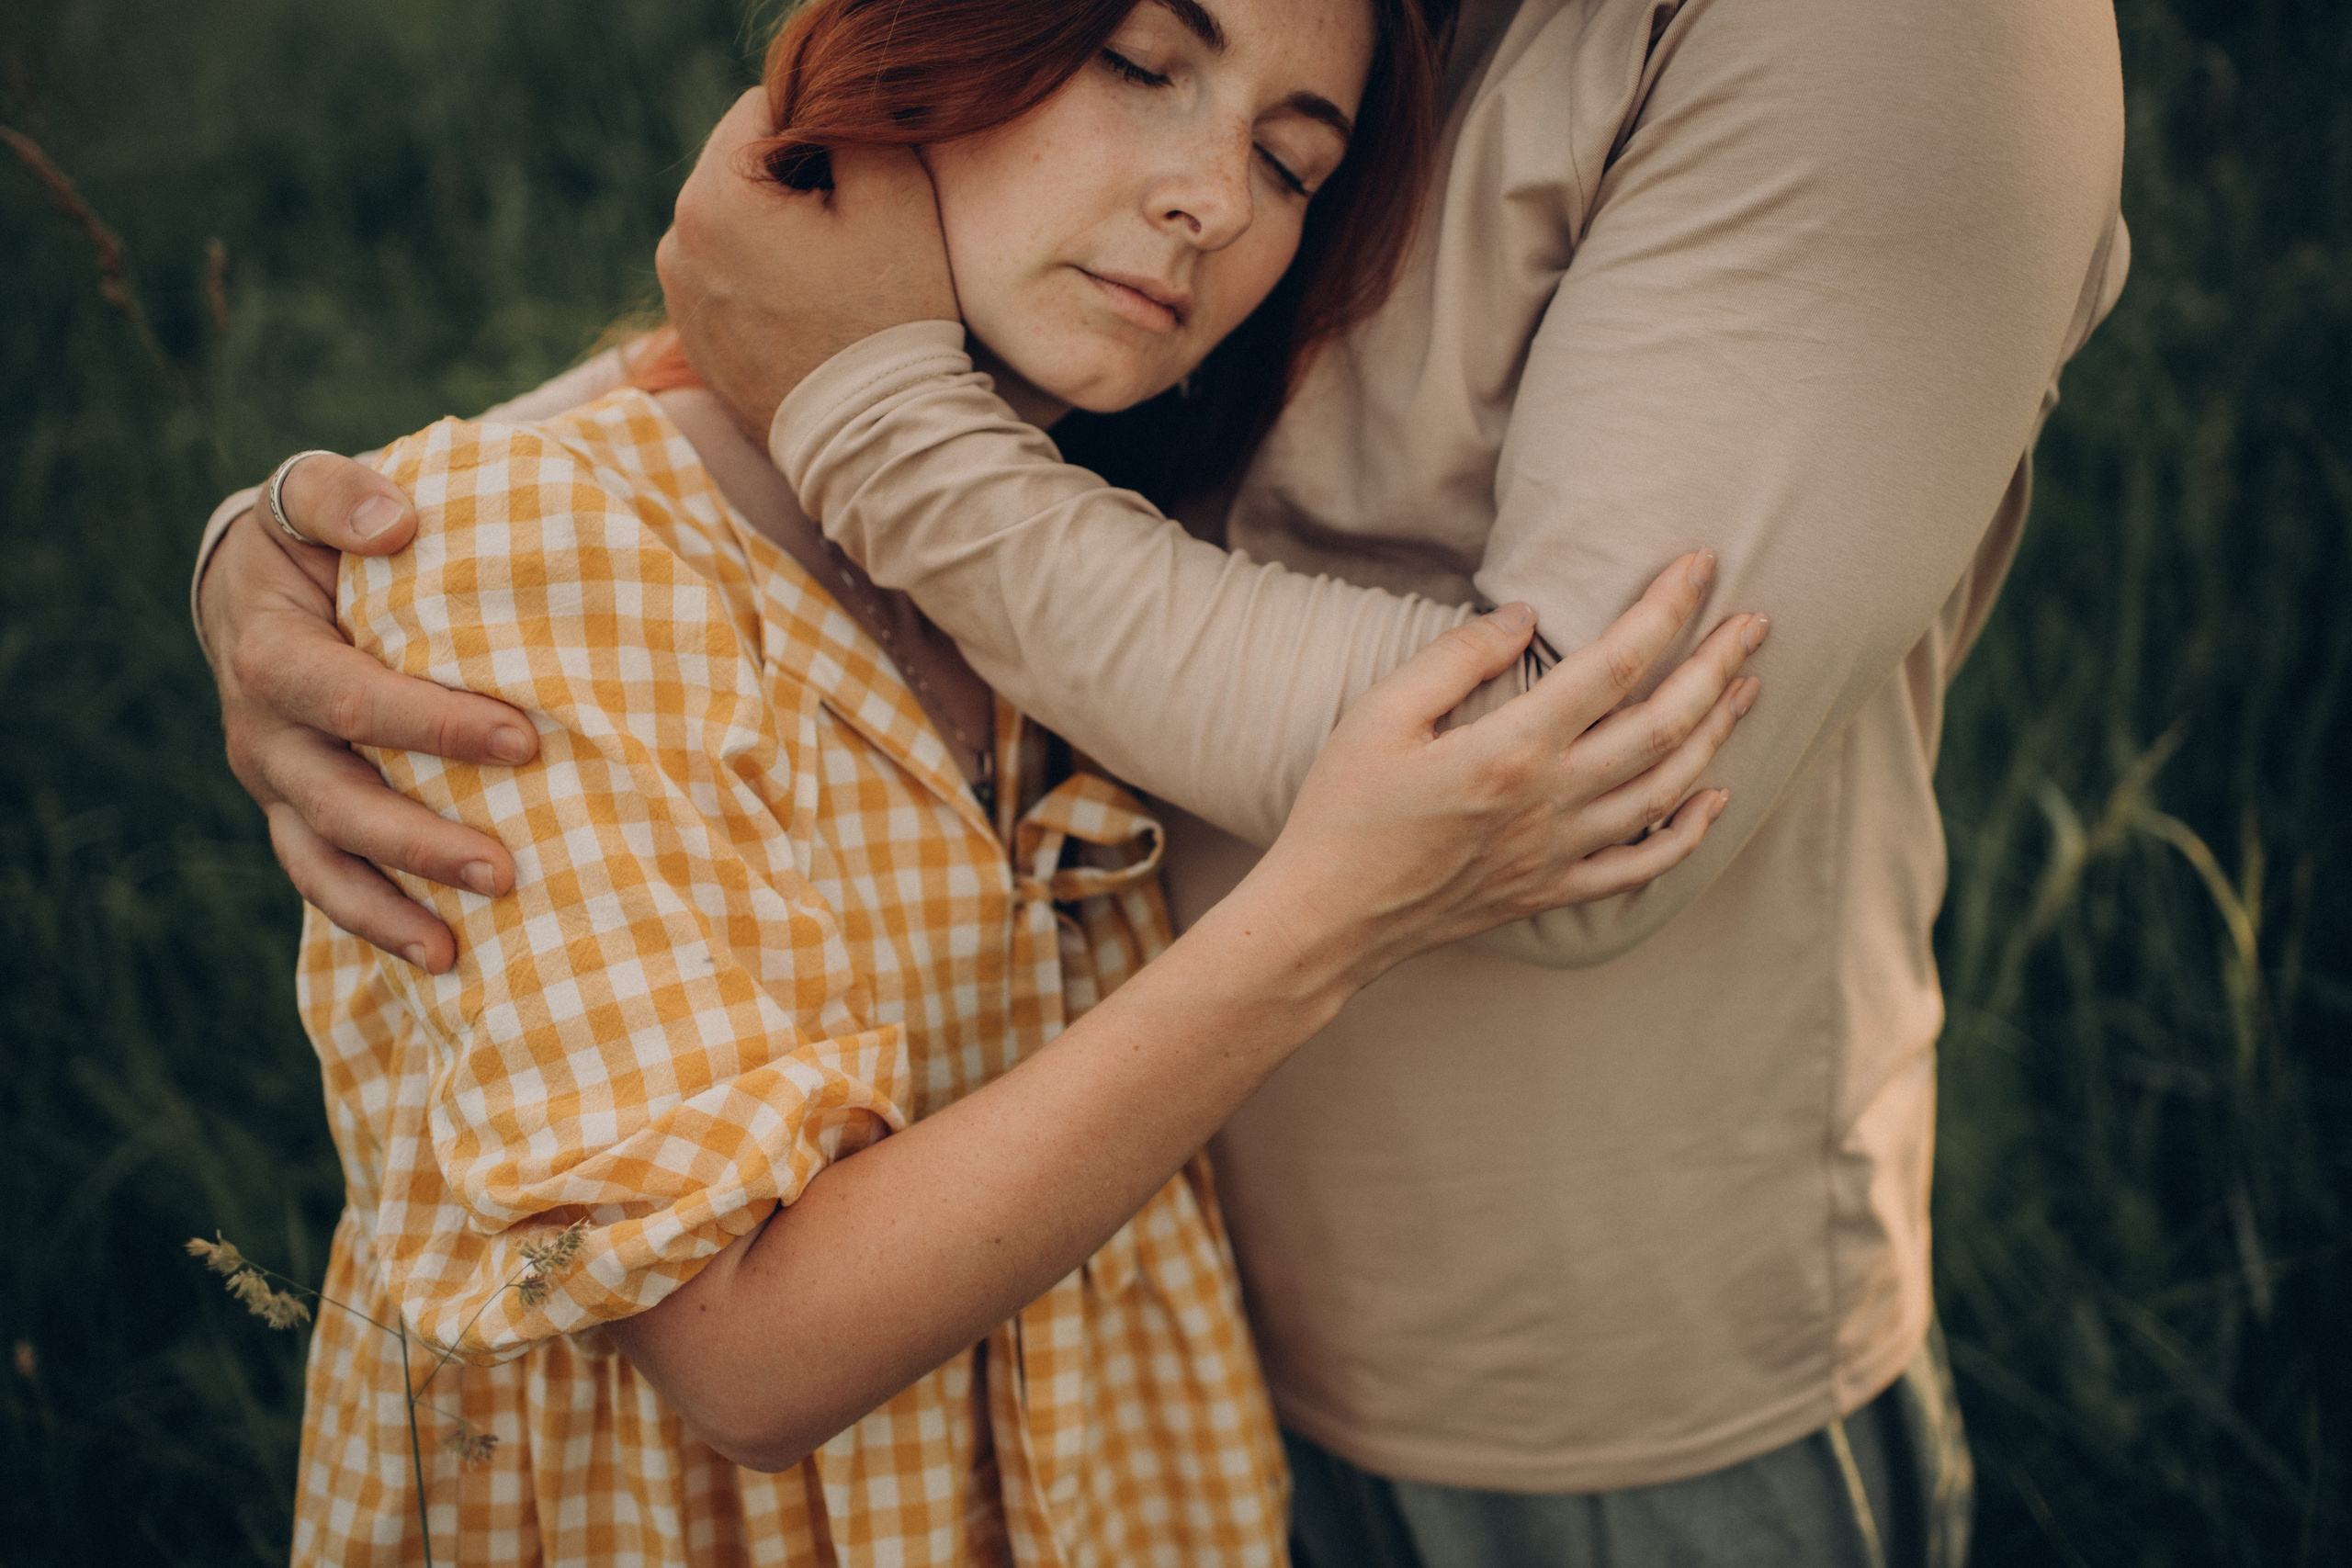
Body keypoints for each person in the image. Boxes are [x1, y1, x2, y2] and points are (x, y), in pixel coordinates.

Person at [199, 0, 2130, 1563]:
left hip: (1561, 1396)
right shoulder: (955, 430)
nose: (1216, 198)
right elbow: (756, 422)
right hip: (1149, 1356)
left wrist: (865, 413)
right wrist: (345, 539)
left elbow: (1574, 757)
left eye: (1295, 165)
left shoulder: (1898, 34)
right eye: (1139, 64)